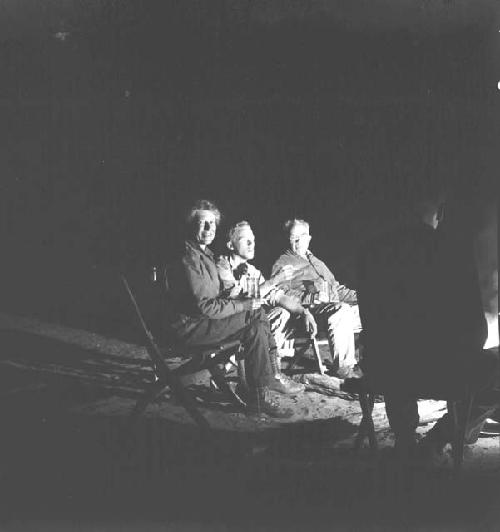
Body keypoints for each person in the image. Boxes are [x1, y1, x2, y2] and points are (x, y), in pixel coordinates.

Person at [357, 190, 499, 461]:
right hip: (442, 371)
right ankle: (441, 438)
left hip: (384, 369)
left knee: (391, 350)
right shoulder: (452, 250)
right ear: (440, 212)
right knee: (493, 369)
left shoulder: (373, 251)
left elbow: (371, 325)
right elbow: (475, 331)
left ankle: (405, 438)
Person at [169, 199, 292, 418]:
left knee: (256, 314)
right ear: (191, 225)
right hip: (190, 328)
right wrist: (244, 303)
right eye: (203, 223)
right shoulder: (190, 258)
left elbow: (219, 298)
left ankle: (262, 383)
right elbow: (207, 307)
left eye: (212, 224)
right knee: (253, 320)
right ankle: (260, 390)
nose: (209, 228)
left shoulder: (203, 254)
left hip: (201, 322)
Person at [216, 220, 316, 394]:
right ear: (230, 245)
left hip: (248, 324)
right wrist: (275, 280)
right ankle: (258, 374)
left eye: (253, 239)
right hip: (225, 326)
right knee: (264, 314)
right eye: (244, 239)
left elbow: (278, 296)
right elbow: (239, 299)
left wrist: (304, 311)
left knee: (281, 311)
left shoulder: (251, 270)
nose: (251, 244)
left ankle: (272, 373)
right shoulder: (222, 265)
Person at [272, 218, 363, 379]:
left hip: (333, 307)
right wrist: (310, 296)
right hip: (311, 314)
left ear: (309, 237)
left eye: (303, 235)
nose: (299, 241)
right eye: (294, 237)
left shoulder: (316, 261)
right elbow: (280, 293)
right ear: (288, 239)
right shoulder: (284, 263)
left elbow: (336, 289)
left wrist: (365, 297)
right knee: (342, 310)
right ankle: (344, 368)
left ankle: (374, 363)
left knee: (374, 309)